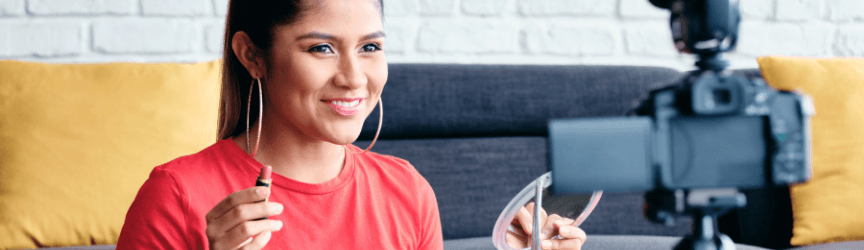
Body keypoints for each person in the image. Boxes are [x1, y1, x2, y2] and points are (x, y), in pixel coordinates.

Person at [117, 0, 586, 249]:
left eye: (370, 47)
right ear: (253, 55)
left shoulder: (407, 190)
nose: (354, 78)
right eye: (321, 48)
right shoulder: (176, 194)